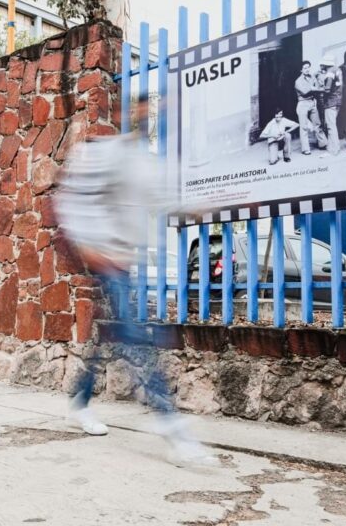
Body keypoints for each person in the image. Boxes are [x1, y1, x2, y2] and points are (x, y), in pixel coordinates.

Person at [54, 95, 217, 468]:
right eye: (139, 111)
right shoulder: (105, 153)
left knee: (112, 335)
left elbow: (167, 202)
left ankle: (79, 404)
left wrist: (210, 206)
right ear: (124, 115)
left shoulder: (148, 163)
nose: (146, 117)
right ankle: (175, 431)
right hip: (106, 260)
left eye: (151, 113)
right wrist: (88, 246)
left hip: (127, 263)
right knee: (138, 339)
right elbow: (74, 200)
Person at [294, 60, 328, 155]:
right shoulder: (298, 81)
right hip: (302, 103)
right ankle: (306, 149)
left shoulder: (312, 77)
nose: (307, 69)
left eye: (308, 67)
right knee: (304, 127)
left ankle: (323, 144)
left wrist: (315, 88)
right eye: (305, 68)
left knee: (317, 124)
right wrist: (314, 88)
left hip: (312, 102)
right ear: (301, 70)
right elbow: (305, 91)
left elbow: (317, 87)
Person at [317, 55, 343, 156]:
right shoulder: (338, 69)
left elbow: (327, 89)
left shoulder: (329, 73)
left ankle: (333, 150)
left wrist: (315, 89)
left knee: (330, 126)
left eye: (321, 64)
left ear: (325, 64)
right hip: (338, 100)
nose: (320, 66)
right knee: (333, 125)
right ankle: (336, 146)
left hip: (330, 102)